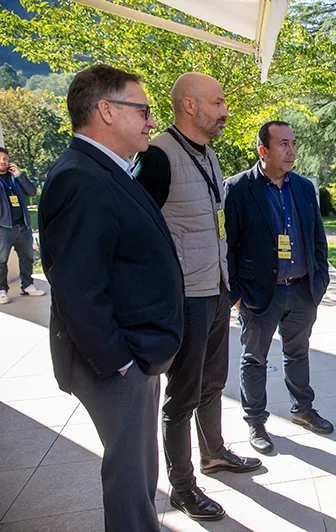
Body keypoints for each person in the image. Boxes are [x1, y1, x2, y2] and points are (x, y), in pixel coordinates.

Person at [38, 64, 184, 532]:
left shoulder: (105, 170)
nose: (151, 121)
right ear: (105, 110)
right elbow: (77, 288)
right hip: (118, 362)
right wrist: (121, 363)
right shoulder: (80, 177)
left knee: (140, 475)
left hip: (137, 354)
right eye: (142, 110)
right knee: (129, 482)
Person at [135, 72, 260, 522]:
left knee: (212, 383)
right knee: (182, 396)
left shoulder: (208, 153)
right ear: (190, 106)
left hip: (217, 291)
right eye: (218, 103)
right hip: (186, 298)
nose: (225, 111)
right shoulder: (157, 157)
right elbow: (138, 234)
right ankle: (182, 487)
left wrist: (229, 286)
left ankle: (214, 454)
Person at [224, 120, 332, 454]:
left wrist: (319, 281)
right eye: (283, 144)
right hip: (259, 295)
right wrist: (236, 296)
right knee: (254, 358)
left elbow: (317, 237)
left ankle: (302, 409)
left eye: (293, 143)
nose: (291, 150)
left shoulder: (303, 188)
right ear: (263, 150)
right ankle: (256, 421)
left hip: (301, 291)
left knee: (298, 352)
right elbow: (227, 246)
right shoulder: (238, 188)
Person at [0, 147, 45, 304]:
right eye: (0, 159)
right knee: (1, 260)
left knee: (27, 257)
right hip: (3, 227)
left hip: (23, 225)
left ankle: (27, 285)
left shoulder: (15, 177)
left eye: (5, 159)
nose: (3, 162)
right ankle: (1, 290)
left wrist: (20, 175)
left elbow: (32, 192)